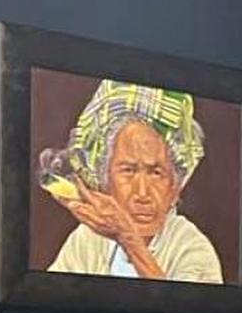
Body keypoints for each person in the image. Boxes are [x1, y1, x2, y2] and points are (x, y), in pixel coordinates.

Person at [43, 80, 223, 282]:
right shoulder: (87, 240)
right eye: (128, 171)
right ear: (105, 180)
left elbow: (174, 303)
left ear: (175, 188)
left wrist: (129, 239)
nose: (142, 193)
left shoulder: (191, 249)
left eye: (156, 173)